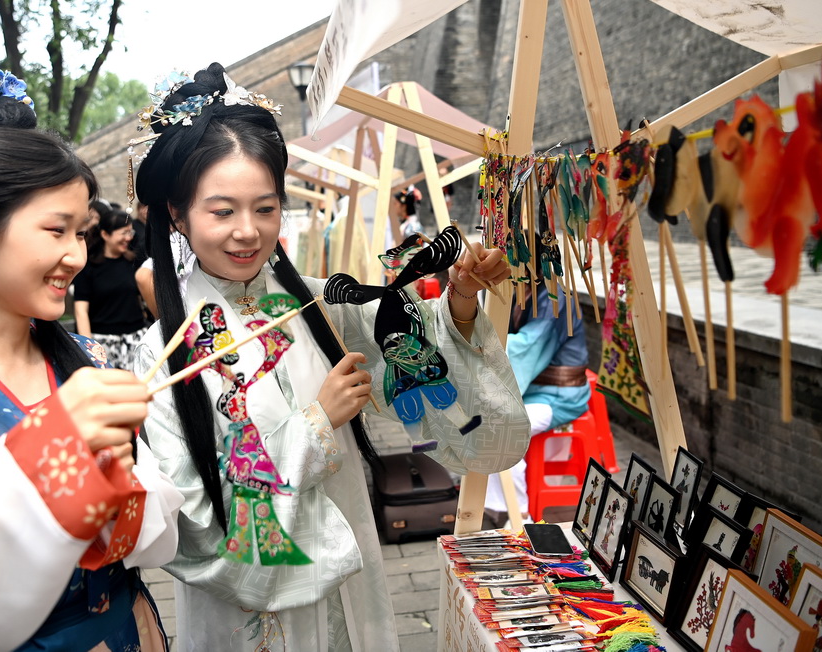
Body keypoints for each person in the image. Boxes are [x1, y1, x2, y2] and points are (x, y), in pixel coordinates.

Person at [130, 62, 530, 652]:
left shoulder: (320, 306)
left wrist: (462, 300)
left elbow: (412, 350)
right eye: (222, 211)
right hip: (248, 618)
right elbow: (191, 519)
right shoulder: (161, 353)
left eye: (265, 209)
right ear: (176, 213)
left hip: (350, 587)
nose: (248, 231)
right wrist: (316, 426)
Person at [0, 64, 183, 651]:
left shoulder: (87, 361)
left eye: (82, 232)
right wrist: (52, 451)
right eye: (57, 230)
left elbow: (158, 541)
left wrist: (117, 478)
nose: (75, 256)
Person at [484, 282, 591, 526]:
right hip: (531, 388)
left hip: (558, 394)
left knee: (501, 428)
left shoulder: (556, 298)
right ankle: (492, 501)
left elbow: (527, 346)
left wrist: (481, 347)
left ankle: (520, 513)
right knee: (479, 419)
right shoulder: (517, 291)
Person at [73, 204, 149, 369]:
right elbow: (81, 310)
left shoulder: (133, 261)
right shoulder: (89, 267)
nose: (128, 238)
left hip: (135, 338)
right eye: (123, 233)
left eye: (130, 232)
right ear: (105, 234)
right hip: (103, 342)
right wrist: (89, 350)